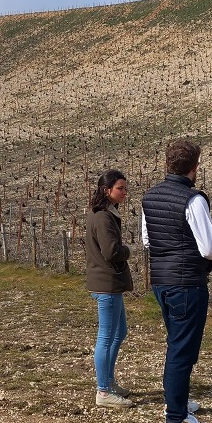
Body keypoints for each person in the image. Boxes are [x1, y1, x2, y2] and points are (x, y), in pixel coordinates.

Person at [142, 138, 212, 423]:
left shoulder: (149, 197)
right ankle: (176, 419)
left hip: (161, 281)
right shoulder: (193, 200)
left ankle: (178, 400)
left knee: (177, 344)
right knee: (181, 350)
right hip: (187, 283)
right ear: (195, 167)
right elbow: (210, 248)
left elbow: (148, 240)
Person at [85, 169, 134, 409]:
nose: (125, 192)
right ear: (107, 190)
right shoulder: (104, 217)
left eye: (125, 188)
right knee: (106, 337)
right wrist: (129, 251)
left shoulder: (102, 214)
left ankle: (109, 381)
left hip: (108, 282)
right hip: (107, 283)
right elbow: (111, 251)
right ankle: (103, 391)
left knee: (119, 331)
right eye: (120, 188)